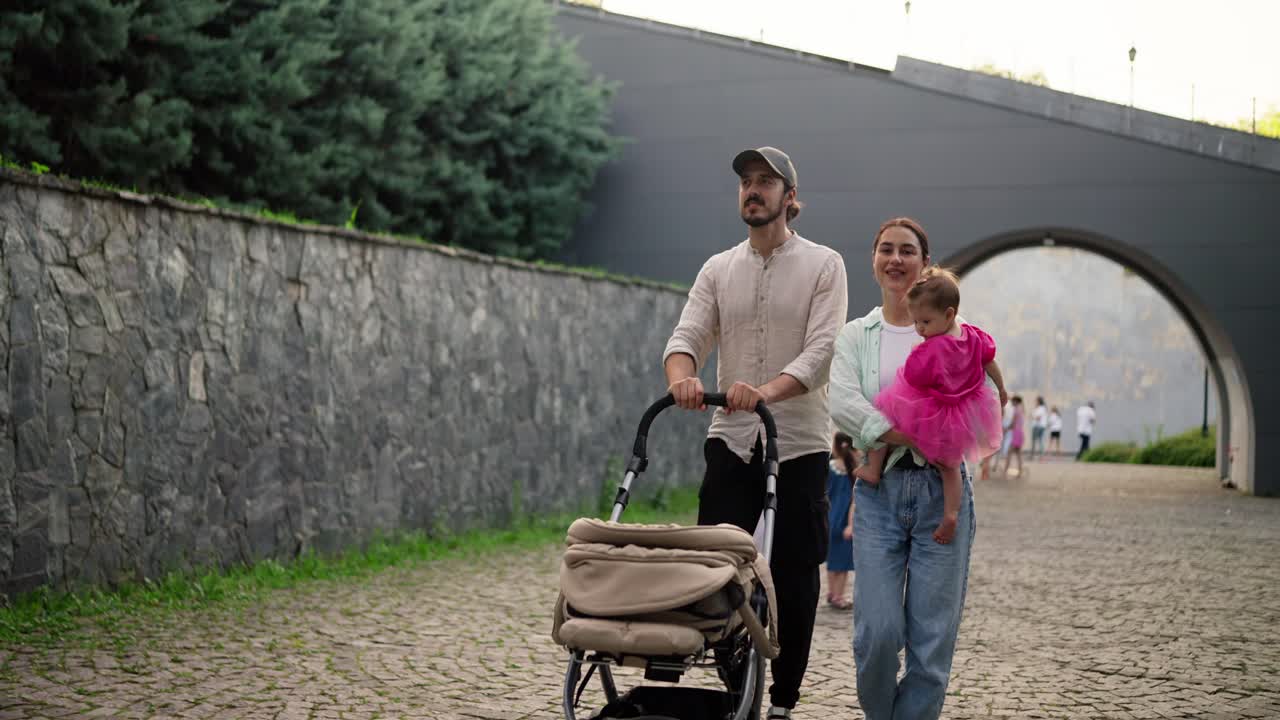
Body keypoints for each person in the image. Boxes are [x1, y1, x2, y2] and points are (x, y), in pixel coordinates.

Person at [664, 146, 848, 719]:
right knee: (715, 568)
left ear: (790, 197)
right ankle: (734, 688)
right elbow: (687, 336)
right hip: (731, 441)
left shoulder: (825, 265)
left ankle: (783, 699)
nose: (753, 189)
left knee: (794, 576)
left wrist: (765, 391)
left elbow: (822, 352)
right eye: (746, 180)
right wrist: (682, 379)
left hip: (798, 445)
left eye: (766, 181)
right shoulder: (718, 268)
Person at [830, 217, 992, 720]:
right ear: (874, 260)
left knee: (932, 641)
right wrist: (917, 434)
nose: (895, 258)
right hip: (879, 493)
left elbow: (984, 394)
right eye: (886, 249)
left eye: (907, 250)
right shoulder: (857, 335)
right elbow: (844, 403)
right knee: (876, 633)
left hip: (941, 498)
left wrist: (941, 433)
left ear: (925, 264)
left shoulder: (959, 334)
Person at [851, 267, 1006, 543]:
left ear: (949, 314)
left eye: (925, 322)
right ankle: (951, 513)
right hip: (960, 413)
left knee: (884, 413)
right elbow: (989, 362)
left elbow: (913, 376)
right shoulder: (973, 335)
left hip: (929, 410)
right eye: (916, 323)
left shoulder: (931, 348)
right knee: (950, 467)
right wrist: (1002, 389)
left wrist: (915, 353)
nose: (920, 329)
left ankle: (873, 468)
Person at [825, 433, 858, 610]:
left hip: (830, 518)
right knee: (842, 562)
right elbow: (854, 500)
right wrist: (852, 525)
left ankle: (832, 593)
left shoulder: (829, 467)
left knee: (832, 560)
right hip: (845, 520)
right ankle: (839, 596)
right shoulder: (854, 469)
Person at [998, 395, 1025, 477]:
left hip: (1015, 433)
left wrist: (1005, 430)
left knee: (1010, 453)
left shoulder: (1016, 410)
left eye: (1012, 401)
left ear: (1016, 401)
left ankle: (1005, 471)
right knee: (1018, 454)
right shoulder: (1021, 409)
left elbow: (1013, 424)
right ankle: (1020, 471)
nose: (1011, 402)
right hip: (1020, 433)